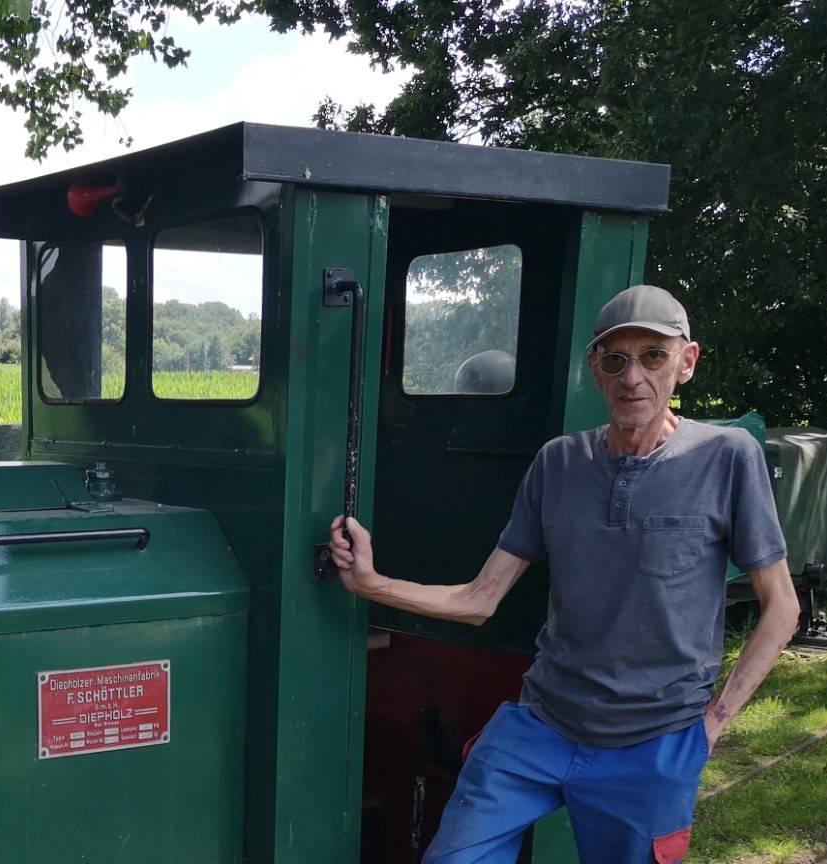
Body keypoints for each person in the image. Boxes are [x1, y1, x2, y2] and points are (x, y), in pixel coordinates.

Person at [330, 284, 798, 863]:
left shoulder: (727, 456)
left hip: (654, 742)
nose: (633, 377)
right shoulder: (558, 462)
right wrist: (372, 583)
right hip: (542, 723)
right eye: (615, 360)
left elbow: (782, 607)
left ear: (687, 362)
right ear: (595, 370)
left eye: (653, 356)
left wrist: (711, 726)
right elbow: (480, 599)